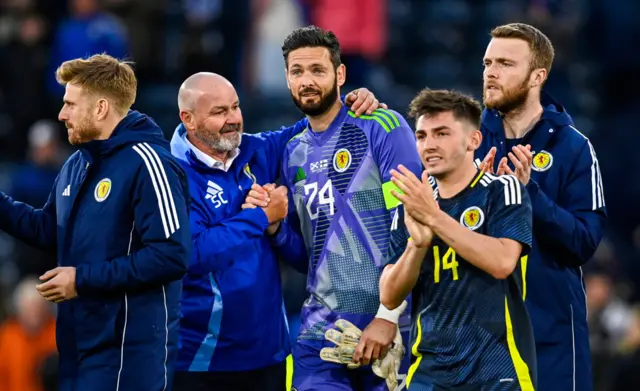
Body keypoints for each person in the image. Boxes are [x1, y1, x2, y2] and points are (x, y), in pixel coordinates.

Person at [169, 71, 382, 391]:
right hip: (205, 358)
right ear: (188, 118)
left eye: (236, 107)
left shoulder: (257, 150)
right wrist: (261, 216)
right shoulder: (172, 174)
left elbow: (315, 127)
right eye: (219, 112)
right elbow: (193, 254)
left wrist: (351, 102)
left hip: (269, 354)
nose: (233, 119)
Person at [0, 53, 191, 391]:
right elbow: (49, 230)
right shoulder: (77, 163)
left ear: (101, 108)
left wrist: (82, 280)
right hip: (78, 347)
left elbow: (170, 255)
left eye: (70, 104)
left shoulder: (149, 163)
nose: (61, 114)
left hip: (128, 353)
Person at [266, 25, 422, 390]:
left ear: (340, 74)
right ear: (287, 79)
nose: (307, 81)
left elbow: (411, 221)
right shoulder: (292, 152)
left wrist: (388, 315)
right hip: (321, 332)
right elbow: (311, 256)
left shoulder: (381, 126)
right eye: (297, 72)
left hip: (389, 331)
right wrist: (276, 231)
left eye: (318, 70)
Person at [477, 23, 607, 391]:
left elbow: (583, 242)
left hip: (549, 338)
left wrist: (527, 193)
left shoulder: (573, 148)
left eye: (505, 63)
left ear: (538, 76)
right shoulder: (467, 141)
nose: (491, 72)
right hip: (475, 339)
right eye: (487, 62)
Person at [380, 88, 536, 390]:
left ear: (473, 140)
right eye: (422, 136)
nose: (429, 145)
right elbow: (389, 294)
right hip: (429, 373)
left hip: (497, 370)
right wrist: (418, 245)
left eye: (442, 133)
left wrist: (435, 218)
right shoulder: (411, 207)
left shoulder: (502, 189)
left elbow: (503, 262)